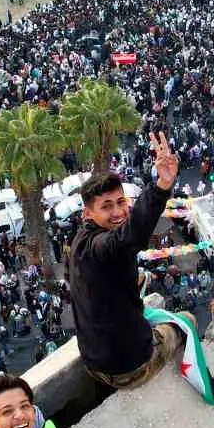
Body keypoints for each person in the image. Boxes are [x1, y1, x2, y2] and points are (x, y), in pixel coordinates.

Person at [66, 130, 183, 388]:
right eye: (107, 206)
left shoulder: (80, 242)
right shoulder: (101, 245)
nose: (118, 212)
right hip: (127, 368)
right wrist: (162, 185)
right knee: (185, 324)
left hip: (93, 359)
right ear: (88, 212)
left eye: (121, 202)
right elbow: (126, 237)